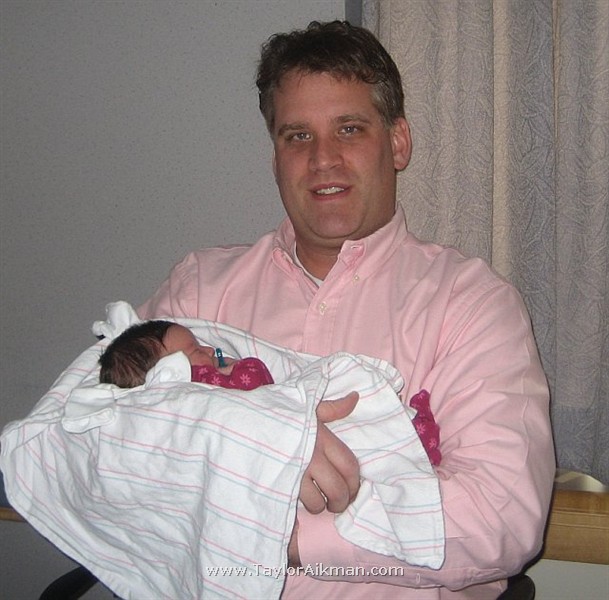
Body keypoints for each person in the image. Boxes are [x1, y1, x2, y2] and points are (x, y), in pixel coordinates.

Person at [139, 20, 555, 599]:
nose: (322, 159)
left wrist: (276, 534)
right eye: (297, 136)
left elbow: (499, 518)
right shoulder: (198, 292)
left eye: (349, 129)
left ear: (398, 142)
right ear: (275, 156)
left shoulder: (471, 306)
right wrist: (257, 438)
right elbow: (92, 439)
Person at [98, 319, 274, 390]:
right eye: (196, 350)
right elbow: (254, 377)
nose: (210, 350)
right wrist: (237, 367)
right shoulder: (194, 384)